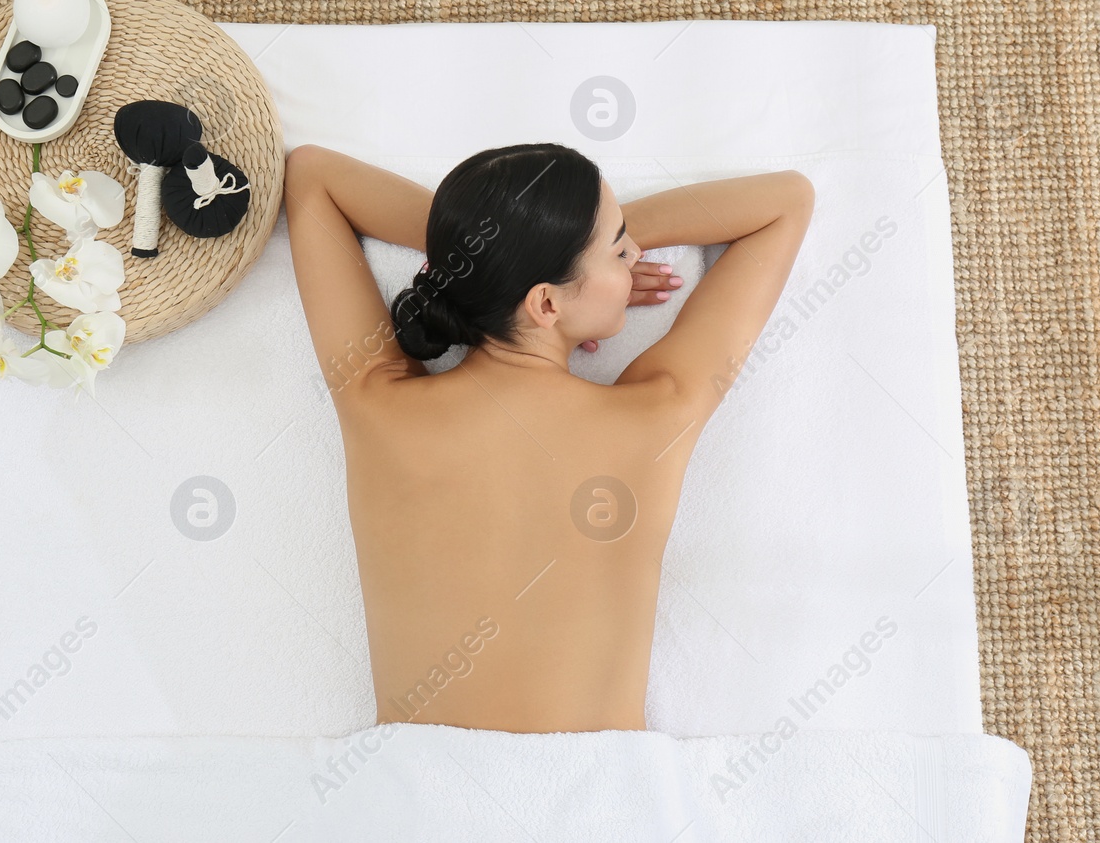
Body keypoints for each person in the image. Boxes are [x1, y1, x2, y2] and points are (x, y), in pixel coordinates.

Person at [283, 142, 814, 733]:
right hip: (601, 805)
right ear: (544, 303)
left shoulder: (376, 403)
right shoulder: (656, 416)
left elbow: (313, 176)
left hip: (417, 799)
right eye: (620, 248)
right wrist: (556, 255)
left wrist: (504, 258)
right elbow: (787, 202)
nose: (635, 252)